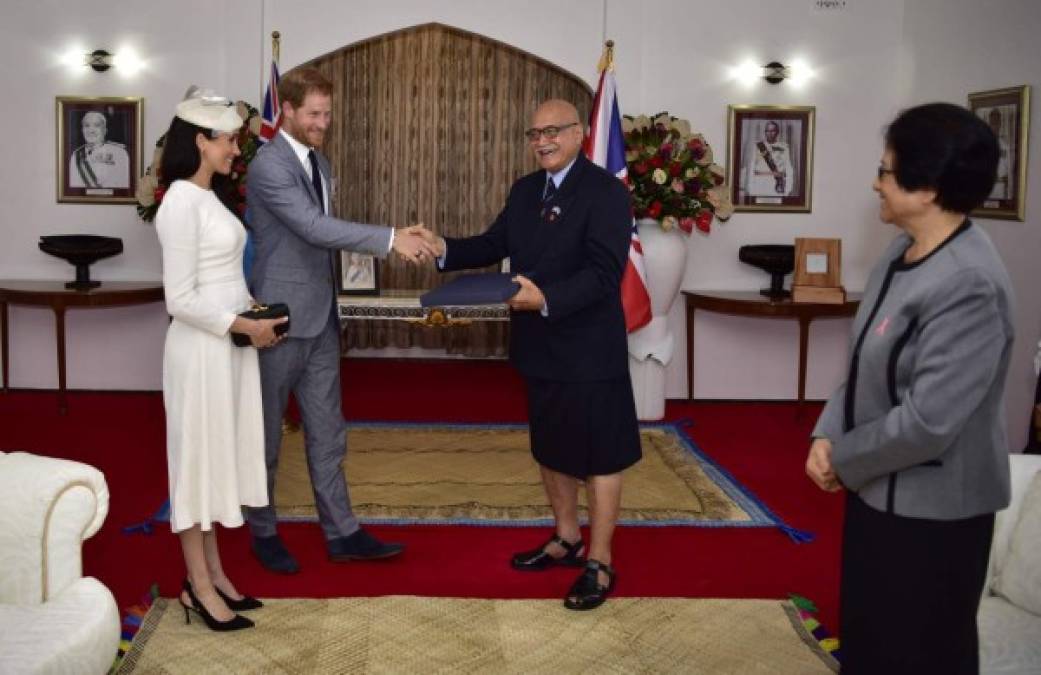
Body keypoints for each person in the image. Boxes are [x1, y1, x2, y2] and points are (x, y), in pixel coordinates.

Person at [805, 102, 1013, 674]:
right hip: (878, 493)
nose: (875, 184)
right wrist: (826, 432)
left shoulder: (970, 282)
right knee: (871, 642)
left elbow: (928, 423)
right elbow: (863, 361)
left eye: (887, 173)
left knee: (919, 652)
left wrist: (843, 457)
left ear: (928, 188)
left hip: (936, 517)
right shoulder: (901, 251)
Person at [419, 99, 642, 610]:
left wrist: (547, 298)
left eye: (553, 131)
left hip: (590, 349)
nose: (542, 140)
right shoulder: (525, 191)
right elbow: (495, 243)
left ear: (580, 133)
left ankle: (600, 560)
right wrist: (443, 248)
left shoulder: (607, 192)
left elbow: (605, 273)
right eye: (535, 132)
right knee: (551, 446)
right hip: (539, 347)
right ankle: (566, 538)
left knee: (602, 454)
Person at [245, 66, 436, 573]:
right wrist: (392, 237)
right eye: (313, 114)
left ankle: (342, 531)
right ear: (285, 111)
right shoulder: (269, 165)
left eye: (327, 113)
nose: (322, 122)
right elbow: (311, 227)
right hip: (277, 322)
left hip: (322, 320)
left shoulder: (320, 163)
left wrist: (393, 235)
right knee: (264, 436)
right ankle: (262, 530)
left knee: (329, 433)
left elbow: (323, 233)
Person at [156, 94, 289, 631]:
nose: (238, 149)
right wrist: (245, 325)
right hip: (199, 353)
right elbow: (179, 299)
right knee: (195, 470)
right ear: (200, 143)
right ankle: (197, 584)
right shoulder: (179, 203)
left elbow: (221, 279)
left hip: (227, 349)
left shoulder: (209, 199)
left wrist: (253, 312)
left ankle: (215, 575)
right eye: (230, 140)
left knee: (217, 463)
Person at [69, 110, 130, 189]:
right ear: (82, 130)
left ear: (105, 130)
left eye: (97, 125)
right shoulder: (76, 155)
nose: (91, 130)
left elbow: (124, 186)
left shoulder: (120, 153)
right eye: (87, 126)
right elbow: (75, 188)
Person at [744, 120, 793, 197]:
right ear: (765, 132)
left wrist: (788, 189)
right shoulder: (758, 146)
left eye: (772, 131)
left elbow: (789, 168)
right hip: (759, 185)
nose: (769, 133)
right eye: (767, 131)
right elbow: (751, 168)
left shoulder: (784, 147)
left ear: (777, 132)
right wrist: (751, 188)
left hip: (776, 185)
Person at [986, 107, 1011, 200]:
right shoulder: (984, 145)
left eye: (997, 122)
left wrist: (1008, 191)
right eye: (993, 122)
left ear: (1000, 124)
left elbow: (1008, 168)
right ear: (989, 123)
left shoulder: (1005, 145)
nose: (995, 126)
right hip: (987, 186)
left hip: (1001, 186)